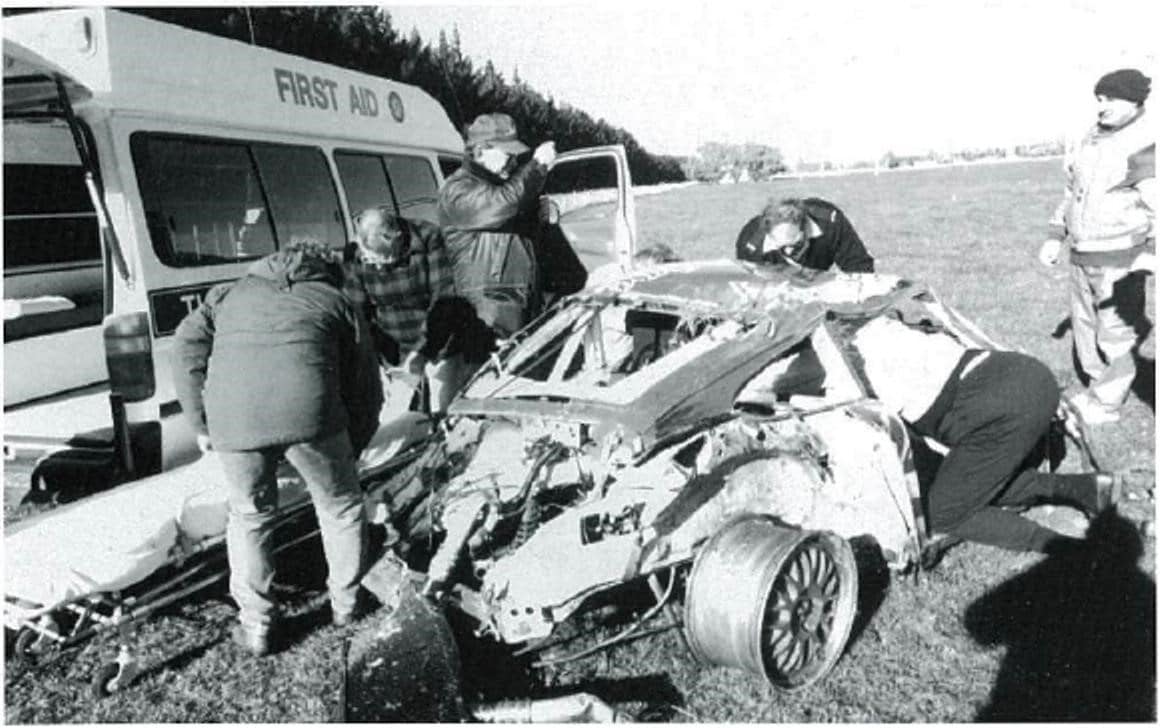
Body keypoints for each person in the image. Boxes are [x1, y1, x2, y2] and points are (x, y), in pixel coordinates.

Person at [172, 241, 383, 656]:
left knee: (250, 517)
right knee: (340, 507)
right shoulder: (335, 299)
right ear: (326, 267)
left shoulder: (226, 294)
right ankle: (346, 607)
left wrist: (200, 421)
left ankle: (256, 626)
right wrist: (351, 446)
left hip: (234, 418)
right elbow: (366, 385)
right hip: (311, 414)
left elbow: (184, 347)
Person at [840, 314, 1149, 558]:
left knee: (943, 513)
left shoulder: (841, 366)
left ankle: (1066, 548)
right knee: (973, 481)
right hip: (1021, 373)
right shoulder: (868, 324)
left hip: (1002, 410)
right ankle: (1089, 489)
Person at [1038, 68, 1155, 425]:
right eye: (1099, 99)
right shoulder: (1090, 138)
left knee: (1115, 335)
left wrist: (1152, 250)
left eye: (1110, 98)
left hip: (1122, 260)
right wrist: (1055, 236)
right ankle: (1095, 389)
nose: (1102, 106)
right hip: (1082, 256)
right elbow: (1071, 194)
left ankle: (1106, 404)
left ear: (1134, 101)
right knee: (1085, 330)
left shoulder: (1145, 143)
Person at [438, 112, 557, 339]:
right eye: (507, 154)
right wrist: (538, 166)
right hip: (487, 316)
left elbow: (513, 239)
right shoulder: (456, 190)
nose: (512, 161)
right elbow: (500, 204)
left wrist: (537, 219)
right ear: (480, 151)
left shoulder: (500, 186)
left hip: (517, 307)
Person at [342, 207, 457, 412]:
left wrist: (423, 351)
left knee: (442, 409)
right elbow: (357, 314)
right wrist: (372, 360)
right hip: (392, 350)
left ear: (397, 238)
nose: (378, 268)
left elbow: (444, 301)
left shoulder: (427, 237)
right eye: (371, 260)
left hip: (437, 340)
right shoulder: (356, 255)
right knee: (406, 416)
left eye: (384, 258)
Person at [735, 197, 875, 272]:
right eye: (781, 247)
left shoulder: (830, 221)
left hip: (817, 277)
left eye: (795, 245)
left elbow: (858, 266)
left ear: (805, 227)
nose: (789, 251)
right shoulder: (750, 243)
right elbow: (752, 290)